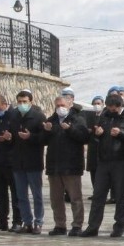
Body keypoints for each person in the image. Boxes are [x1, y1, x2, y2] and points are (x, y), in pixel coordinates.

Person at [82, 93, 124, 237]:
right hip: (104, 160)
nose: (111, 110)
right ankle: (93, 226)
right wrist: (98, 134)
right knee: (98, 195)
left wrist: (121, 134)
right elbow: (96, 135)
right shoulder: (105, 115)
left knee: (121, 196)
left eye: (114, 108)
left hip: (122, 161)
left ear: (120, 106)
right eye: (109, 108)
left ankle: (118, 227)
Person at [43, 94, 90, 236]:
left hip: (72, 166)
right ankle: (59, 225)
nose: (60, 108)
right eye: (57, 106)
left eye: (62, 105)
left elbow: (84, 138)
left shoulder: (78, 120)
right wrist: (46, 131)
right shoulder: (51, 120)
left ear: (70, 105)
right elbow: (42, 141)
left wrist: (70, 129)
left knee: (75, 198)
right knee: (56, 199)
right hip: (54, 166)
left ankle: (77, 225)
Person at [12, 89, 47, 234]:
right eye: (19, 102)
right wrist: (8, 137)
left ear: (30, 102)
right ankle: (27, 222)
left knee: (37, 194)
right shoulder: (13, 115)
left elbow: (44, 138)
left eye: (24, 102)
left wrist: (30, 137)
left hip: (33, 162)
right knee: (21, 195)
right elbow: (11, 136)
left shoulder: (38, 117)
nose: (22, 104)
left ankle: (38, 222)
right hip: (17, 162)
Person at [0, 95, 22, 232]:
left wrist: (10, 138)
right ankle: (1, 221)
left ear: (5, 104)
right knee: (0, 193)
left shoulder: (14, 116)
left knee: (15, 193)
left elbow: (19, 137)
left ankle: (17, 221)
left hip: (12, 160)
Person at [84, 95, 104, 194]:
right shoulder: (90, 116)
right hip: (92, 146)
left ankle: (101, 192)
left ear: (103, 104)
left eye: (98, 103)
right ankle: (95, 191)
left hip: (102, 146)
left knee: (102, 171)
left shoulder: (105, 116)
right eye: (94, 104)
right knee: (93, 170)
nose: (96, 105)